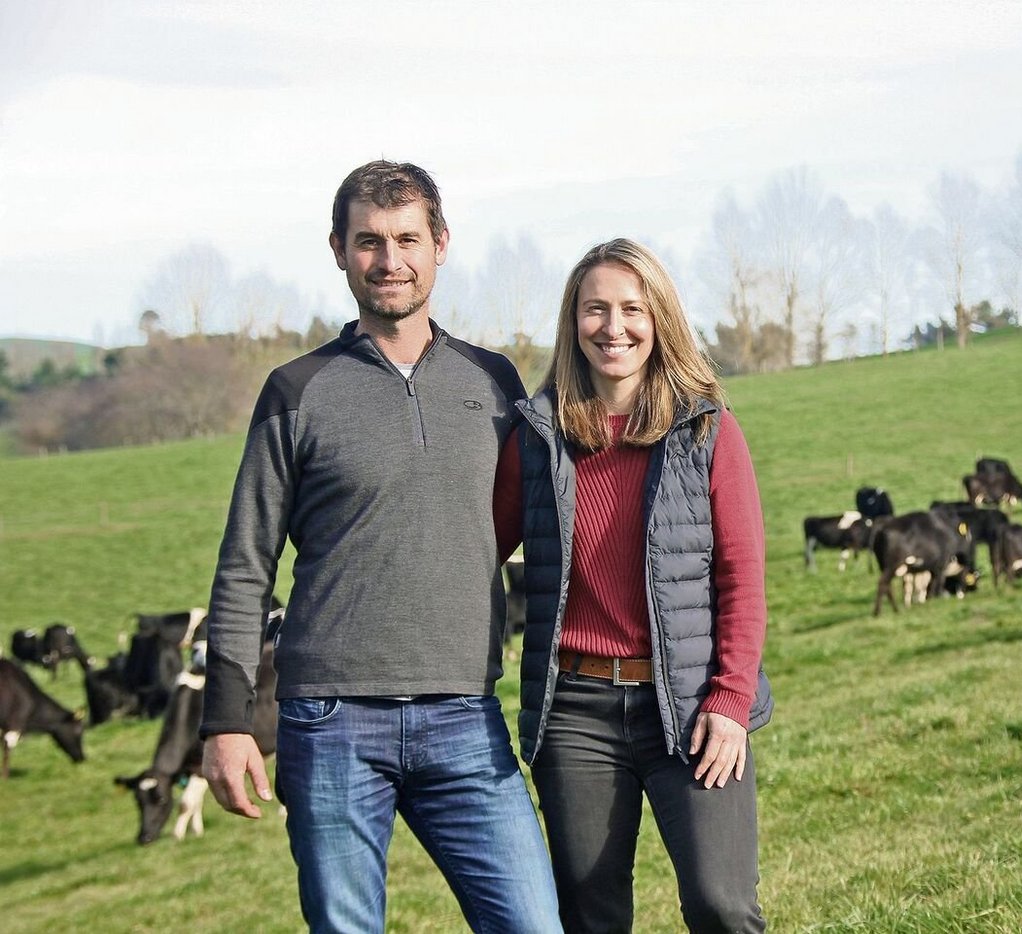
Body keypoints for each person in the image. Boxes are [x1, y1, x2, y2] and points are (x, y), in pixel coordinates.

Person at [200, 160, 561, 934]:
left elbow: (545, 519)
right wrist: (227, 721)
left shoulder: (494, 382)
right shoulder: (296, 390)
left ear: (440, 244)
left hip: (465, 715)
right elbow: (244, 565)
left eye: (407, 239)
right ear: (338, 249)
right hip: (328, 721)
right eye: (369, 241)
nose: (389, 259)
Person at [496, 238, 774, 933]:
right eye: (595, 309)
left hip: (691, 705)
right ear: (573, 321)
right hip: (575, 712)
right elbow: (475, 554)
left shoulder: (706, 431)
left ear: (660, 320)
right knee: (590, 917)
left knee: (722, 905)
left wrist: (731, 700)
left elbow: (743, 579)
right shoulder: (537, 437)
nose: (613, 327)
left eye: (631, 309)